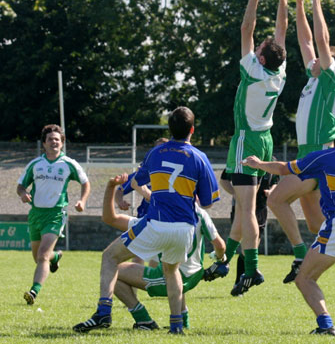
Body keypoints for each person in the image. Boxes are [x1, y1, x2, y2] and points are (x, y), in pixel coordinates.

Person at [73, 106, 220, 335]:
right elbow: (209, 203)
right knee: (171, 272)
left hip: (156, 223)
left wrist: (148, 192)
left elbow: (135, 182)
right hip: (184, 228)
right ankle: (176, 326)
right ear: (192, 130)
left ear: (169, 129)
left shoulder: (156, 153)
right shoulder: (200, 158)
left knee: (109, 256)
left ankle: (103, 311)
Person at [243, 110, 335, 336]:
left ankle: (326, 325)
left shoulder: (326, 156)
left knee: (305, 278)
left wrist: (258, 163)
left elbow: (283, 168)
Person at [204, 0, 297, 296]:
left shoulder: (252, 70)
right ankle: (228, 258)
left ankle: (252, 268)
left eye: (259, 47)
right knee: (231, 188)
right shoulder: (279, 70)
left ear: (259, 56)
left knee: (245, 210)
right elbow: (282, 31)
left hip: (247, 139)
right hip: (266, 138)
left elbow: (247, 27)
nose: (256, 44)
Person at [267, 0, 335, 284]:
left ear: (330, 65)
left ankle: (301, 254)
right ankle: (327, 259)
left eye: (320, 59)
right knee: (319, 227)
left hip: (317, 156)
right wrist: (299, 4)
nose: (313, 59)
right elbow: (304, 41)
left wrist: (316, 2)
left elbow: (319, 41)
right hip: (310, 155)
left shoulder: (332, 80)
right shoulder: (315, 78)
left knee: (275, 200)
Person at [102, 173, 226, 331]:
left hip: (175, 277)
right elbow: (220, 246)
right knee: (173, 265)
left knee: (113, 271)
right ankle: (183, 321)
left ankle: (143, 319)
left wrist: (111, 187)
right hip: (195, 274)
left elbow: (110, 218)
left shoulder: (161, 219)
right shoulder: (200, 213)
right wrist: (221, 261)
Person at [17, 124, 91, 305]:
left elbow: (85, 182)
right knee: (38, 258)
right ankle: (56, 257)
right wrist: (22, 194)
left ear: (62, 143)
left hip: (56, 214)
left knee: (42, 255)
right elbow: (20, 186)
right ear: (44, 143)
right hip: (35, 214)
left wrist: (82, 201)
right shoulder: (35, 164)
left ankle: (34, 291)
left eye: (57, 139)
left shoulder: (68, 164)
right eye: (50, 139)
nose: (54, 142)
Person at [204, 167, 278, 288]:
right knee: (241, 240)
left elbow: (275, 181)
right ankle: (233, 272)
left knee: (249, 247)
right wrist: (236, 192)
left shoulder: (270, 162)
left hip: (260, 209)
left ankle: (234, 274)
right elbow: (223, 180)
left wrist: (271, 191)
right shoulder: (239, 162)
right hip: (241, 207)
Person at [115, 137, 169, 266]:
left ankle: (152, 284)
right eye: (157, 148)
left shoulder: (172, 172)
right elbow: (120, 189)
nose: (160, 151)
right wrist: (120, 201)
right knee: (138, 255)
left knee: (157, 260)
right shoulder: (146, 171)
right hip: (143, 219)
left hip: (163, 220)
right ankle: (134, 282)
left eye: (164, 149)